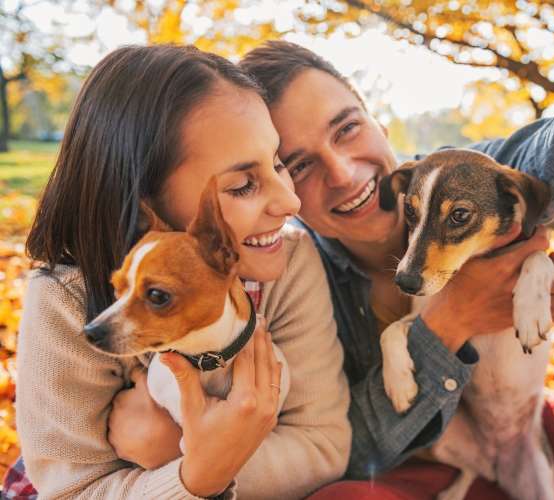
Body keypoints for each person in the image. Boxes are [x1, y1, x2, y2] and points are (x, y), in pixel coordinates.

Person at [104, 0, 554, 498]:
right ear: (275, 184)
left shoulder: (472, 181)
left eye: (348, 128)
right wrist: (452, 320)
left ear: (376, 117)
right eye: (298, 164)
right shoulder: (294, 275)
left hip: (530, 445)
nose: (346, 173)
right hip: (412, 476)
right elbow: (340, 448)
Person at [9, 45, 350, 499]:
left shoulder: (286, 262)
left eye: (278, 163)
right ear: (141, 203)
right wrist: (197, 476)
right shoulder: (66, 298)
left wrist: (186, 453)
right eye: (241, 185)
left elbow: (322, 446)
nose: (290, 203)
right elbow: (71, 489)